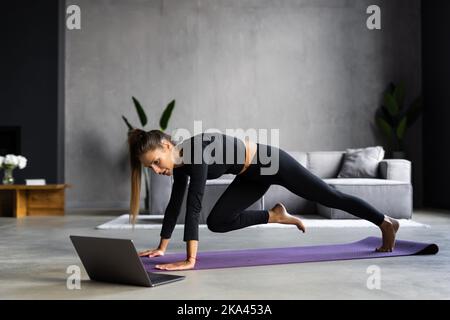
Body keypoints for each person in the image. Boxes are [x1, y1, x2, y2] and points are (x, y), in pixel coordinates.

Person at [128, 129, 399, 271]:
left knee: (329, 196)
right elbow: (177, 204)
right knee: (218, 222)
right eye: (149, 168)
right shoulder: (181, 165)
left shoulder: (195, 152)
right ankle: (275, 215)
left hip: (271, 162)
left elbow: (194, 203)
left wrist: (190, 259)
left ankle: (384, 222)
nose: (156, 170)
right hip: (250, 175)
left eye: (155, 162)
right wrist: (162, 247)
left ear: (166, 146)